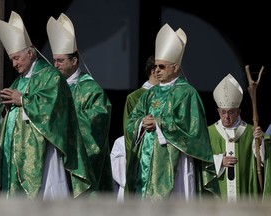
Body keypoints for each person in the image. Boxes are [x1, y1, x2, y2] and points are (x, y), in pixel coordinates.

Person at [0, 11, 92, 200]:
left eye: (16, 58)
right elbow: (6, 114)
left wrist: (22, 100)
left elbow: (55, 109)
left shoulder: (51, 77)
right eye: (11, 59)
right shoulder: (19, 81)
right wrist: (5, 108)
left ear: (30, 53)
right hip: (16, 153)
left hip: (43, 152)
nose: (13, 64)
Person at [125, 23, 220, 201]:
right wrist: (141, 123)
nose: (156, 70)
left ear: (175, 68)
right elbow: (132, 120)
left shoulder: (187, 93)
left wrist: (159, 123)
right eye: (155, 67)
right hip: (148, 159)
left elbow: (194, 131)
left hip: (176, 161)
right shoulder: (150, 94)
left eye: (162, 67)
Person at [46, 13, 113, 194]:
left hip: (80, 162)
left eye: (60, 60)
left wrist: (64, 122)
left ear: (74, 61)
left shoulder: (91, 89)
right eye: (54, 60)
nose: (56, 65)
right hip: (55, 158)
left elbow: (98, 121)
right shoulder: (51, 88)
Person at [208, 73, 271, 202]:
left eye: (230, 112)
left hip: (245, 193)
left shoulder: (251, 131)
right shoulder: (209, 132)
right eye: (223, 112)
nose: (226, 116)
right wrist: (219, 161)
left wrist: (260, 143)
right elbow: (199, 159)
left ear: (238, 111)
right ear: (218, 111)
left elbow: (265, 160)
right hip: (219, 194)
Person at [110, 54, 158, 202]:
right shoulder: (135, 97)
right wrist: (141, 124)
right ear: (153, 71)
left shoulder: (173, 94)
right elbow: (129, 127)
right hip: (142, 153)